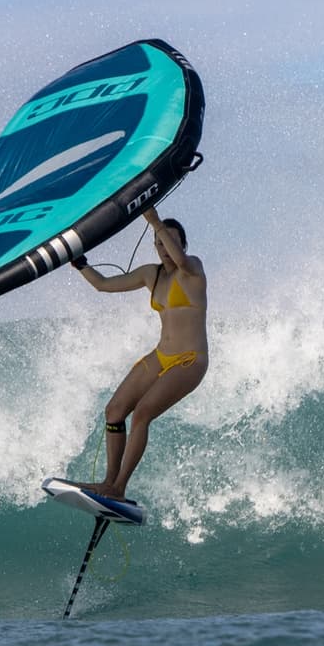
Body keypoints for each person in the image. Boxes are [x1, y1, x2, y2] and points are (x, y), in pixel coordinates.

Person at [70, 207, 208, 501]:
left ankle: (119, 488)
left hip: (190, 360)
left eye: (170, 241)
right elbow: (103, 285)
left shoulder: (192, 269)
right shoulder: (151, 275)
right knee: (114, 411)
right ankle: (108, 481)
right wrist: (78, 262)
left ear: (182, 244)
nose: (164, 248)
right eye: (158, 243)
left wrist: (155, 221)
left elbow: (180, 259)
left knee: (143, 413)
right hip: (161, 356)